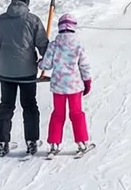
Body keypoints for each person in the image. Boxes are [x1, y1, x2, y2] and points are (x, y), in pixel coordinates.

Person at [0, 0, 49, 158]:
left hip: (5, 72)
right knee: (29, 105)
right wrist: (46, 62)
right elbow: (43, 44)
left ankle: (2, 142)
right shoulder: (33, 20)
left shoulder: (0, 20)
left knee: (6, 106)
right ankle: (31, 142)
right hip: (27, 72)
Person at [39, 13, 93, 156]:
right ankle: (82, 142)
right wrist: (87, 82)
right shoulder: (78, 45)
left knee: (58, 114)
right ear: (74, 28)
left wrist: (39, 62)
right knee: (76, 113)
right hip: (74, 86)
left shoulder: (54, 44)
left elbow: (46, 65)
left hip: (58, 86)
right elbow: (84, 66)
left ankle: (54, 144)